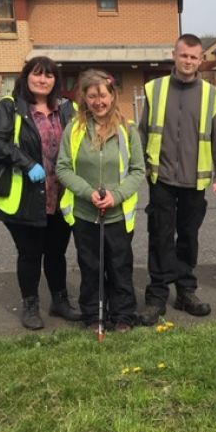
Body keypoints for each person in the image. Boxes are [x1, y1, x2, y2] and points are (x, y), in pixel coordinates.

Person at [139, 33, 216, 326]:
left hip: (195, 181)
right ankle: (157, 296)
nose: (188, 61)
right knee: (160, 237)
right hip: (161, 178)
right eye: (183, 55)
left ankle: (186, 291)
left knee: (188, 239)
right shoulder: (155, 89)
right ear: (174, 56)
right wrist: (138, 169)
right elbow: (142, 133)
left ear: (200, 60)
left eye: (194, 57)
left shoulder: (213, 95)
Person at [0, 57, 80, 330]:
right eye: (37, 74)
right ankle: (30, 304)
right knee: (29, 253)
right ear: (27, 76)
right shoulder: (10, 106)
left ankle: (60, 301)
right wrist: (27, 163)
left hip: (60, 194)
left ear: (56, 80)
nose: (43, 80)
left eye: (49, 76)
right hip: (25, 196)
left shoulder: (68, 108)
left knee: (56, 252)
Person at [57, 70, 145, 332]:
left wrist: (117, 196)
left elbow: (138, 170)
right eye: (92, 96)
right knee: (91, 267)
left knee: (119, 266)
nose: (98, 101)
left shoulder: (127, 130)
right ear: (84, 97)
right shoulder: (74, 130)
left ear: (112, 95)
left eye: (103, 95)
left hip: (117, 215)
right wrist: (87, 192)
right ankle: (93, 316)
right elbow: (63, 168)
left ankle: (123, 315)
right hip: (85, 213)